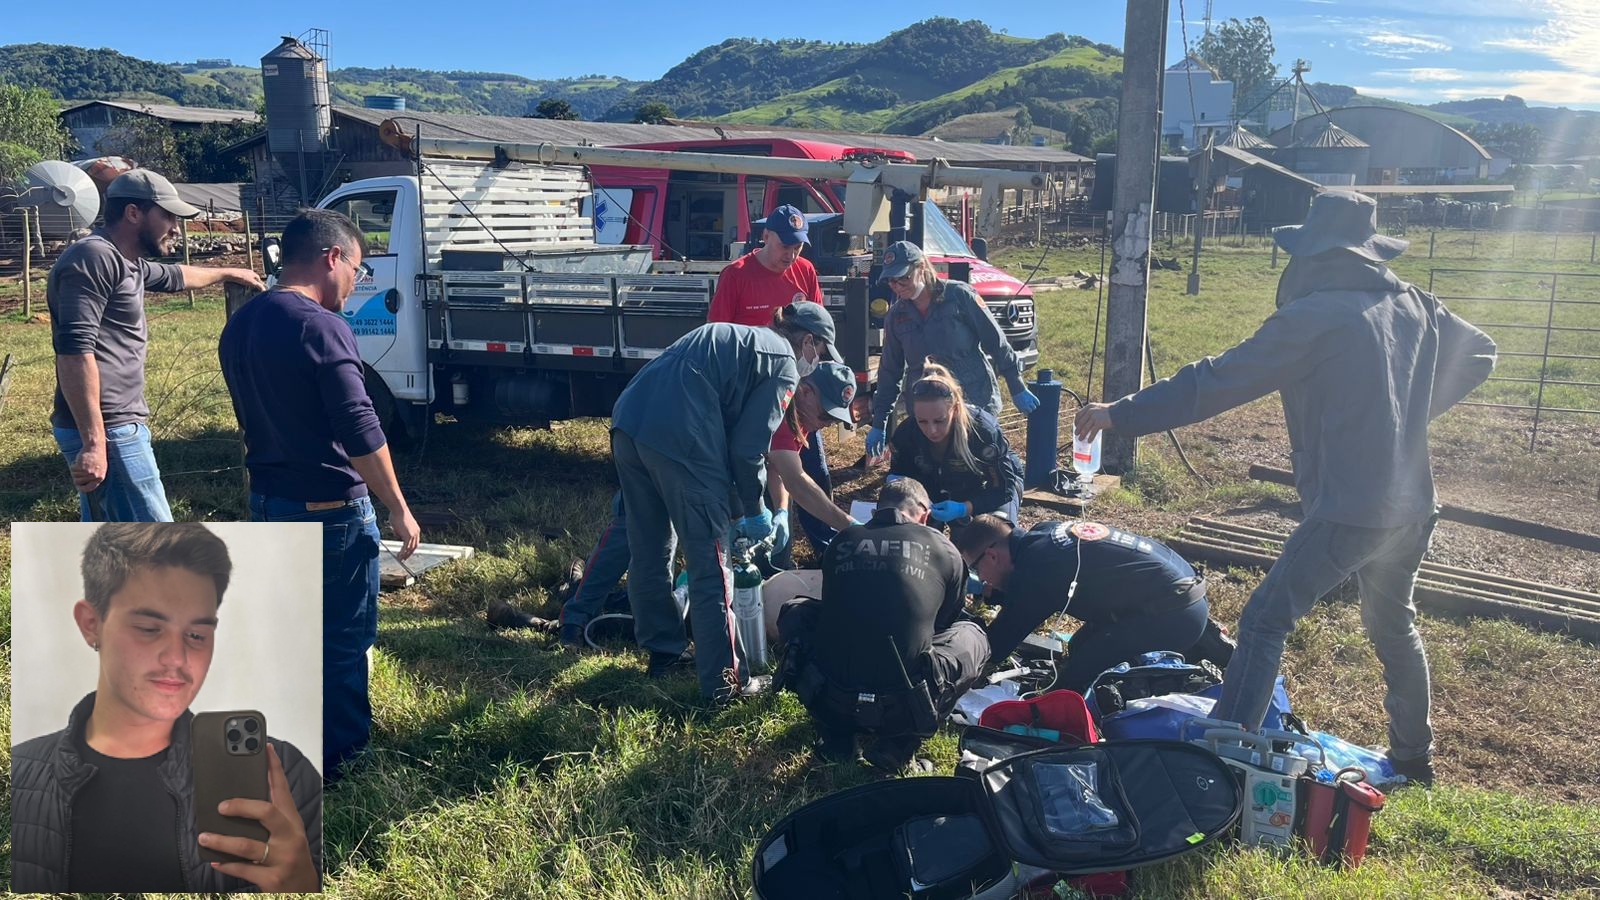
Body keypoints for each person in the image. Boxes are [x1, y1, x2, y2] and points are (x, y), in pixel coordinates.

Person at [1075, 190, 1498, 785]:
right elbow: (1482, 351)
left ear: (1313, 255)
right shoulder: (1415, 303)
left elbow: (1217, 381)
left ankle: (1224, 755)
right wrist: (1407, 412)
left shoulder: (1315, 316)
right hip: (1413, 505)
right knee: (1393, 624)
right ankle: (1413, 757)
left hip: (1352, 507)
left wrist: (1123, 412)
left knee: (1265, 619)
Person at [218, 208, 422, 780]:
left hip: (270, 502)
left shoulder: (242, 323)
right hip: (328, 507)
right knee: (342, 640)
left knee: (288, 633)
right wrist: (398, 507)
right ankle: (343, 764)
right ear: (331, 257)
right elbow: (359, 427)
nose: (356, 284)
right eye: (357, 270)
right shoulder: (321, 326)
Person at [11, 523, 321, 893]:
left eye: (196, 635)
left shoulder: (285, 776)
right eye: (148, 628)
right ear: (91, 624)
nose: (177, 658)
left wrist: (304, 884)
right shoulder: (21, 776)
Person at [610, 301, 837, 703]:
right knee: (711, 565)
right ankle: (726, 683)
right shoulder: (783, 361)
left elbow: (730, 436)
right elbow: (748, 450)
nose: (816, 362)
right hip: (683, 435)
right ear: (807, 341)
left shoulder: (739, 338)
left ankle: (664, 651)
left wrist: (736, 505)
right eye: (819, 353)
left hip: (629, 421)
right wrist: (754, 509)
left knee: (650, 545)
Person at [558, 361, 860, 652]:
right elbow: (798, 480)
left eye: (833, 421)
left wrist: (780, 510)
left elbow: (777, 466)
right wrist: (852, 525)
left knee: (685, 548)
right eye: (825, 415)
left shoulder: (799, 414)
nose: (825, 425)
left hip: (696, 450)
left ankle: (630, 606)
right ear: (807, 391)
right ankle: (577, 614)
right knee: (636, 530)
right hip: (666, 436)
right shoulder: (779, 399)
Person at [48, 169, 264, 522]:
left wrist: (229, 272)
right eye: (168, 216)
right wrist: (94, 442)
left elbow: (178, 275)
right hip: (109, 428)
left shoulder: (126, 262)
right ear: (134, 213)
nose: (176, 228)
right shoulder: (93, 259)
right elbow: (74, 353)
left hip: (116, 425)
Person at [778, 478, 990, 772]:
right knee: (973, 634)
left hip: (830, 697)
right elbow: (942, 625)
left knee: (797, 611)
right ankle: (898, 745)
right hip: (905, 707)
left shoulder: (843, 540)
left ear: (876, 511)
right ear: (925, 515)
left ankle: (837, 737)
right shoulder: (943, 548)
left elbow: (837, 608)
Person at [708, 205, 842, 561]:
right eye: (785, 245)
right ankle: (764, 553)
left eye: (798, 247)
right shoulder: (736, 276)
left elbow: (817, 330)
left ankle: (829, 551)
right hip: (750, 394)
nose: (791, 254)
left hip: (796, 391)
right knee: (759, 470)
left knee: (812, 469)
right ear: (765, 236)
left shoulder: (804, 272)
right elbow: (717, 339)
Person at [956, 515, 1224, 693]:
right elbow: (1043, 591)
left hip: (1175, 616)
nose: (982, 579)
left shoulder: (1036, 568)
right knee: (1080, 646)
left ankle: (1178, 672)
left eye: (976, 570)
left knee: (1075, 683)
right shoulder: (1042, 534)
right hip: (1183, 590)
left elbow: (997, 644)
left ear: (991, 556)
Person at [865, 239, 1037, 461]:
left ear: (922, 268)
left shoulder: (959, 297)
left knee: (980, 462)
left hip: (973, 398)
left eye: (903, 278)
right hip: (929, 409)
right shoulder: (896, 316)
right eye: (891, 281)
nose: (897, 286)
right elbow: (890, 371)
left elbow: (995, 341)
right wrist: (879, 423)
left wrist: (1016, 384)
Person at [887, 361, 1022, 531]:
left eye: (939, 420)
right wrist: (916, 501)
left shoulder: (982, 431)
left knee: (992, 534)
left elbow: (1003, 488)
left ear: (956, 409)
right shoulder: (906, 433)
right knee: (914, 533)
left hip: (982, 488)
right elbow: (898, 477)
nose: (932, 430)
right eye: (922, 421)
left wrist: (964, 508)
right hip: (933, 491)